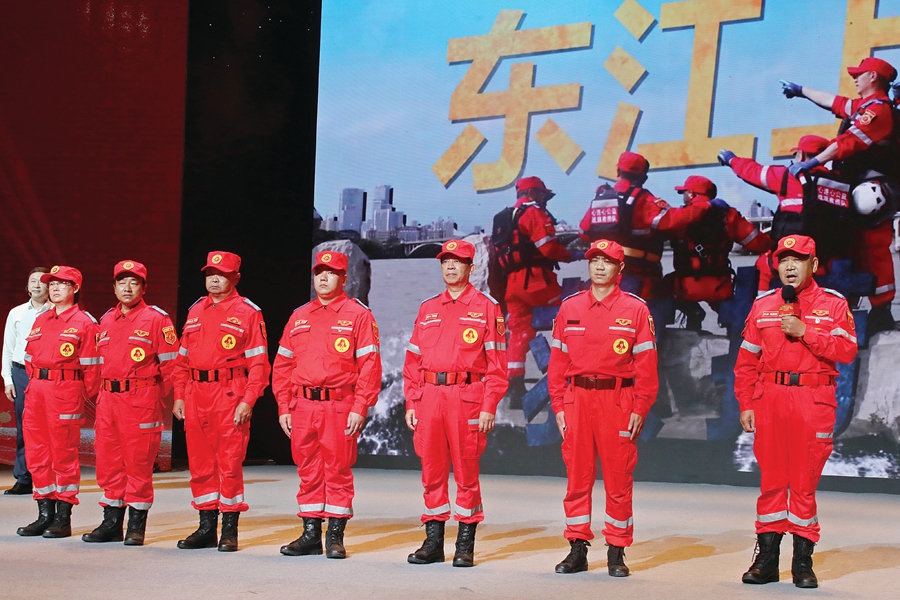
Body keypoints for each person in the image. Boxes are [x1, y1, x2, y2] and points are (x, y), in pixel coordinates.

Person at [734, 235, 858, 588]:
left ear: (813, 265)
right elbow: (746, 361)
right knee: (772, 482)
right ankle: (767, 561)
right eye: (784, 260)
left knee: (803, 484)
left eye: (798, 260)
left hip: (813, 399)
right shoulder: (763, 305)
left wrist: (806, 332)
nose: (789, 266)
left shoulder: (833, 303)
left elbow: (848, 351)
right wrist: (746, 402)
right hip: (770, 398)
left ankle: (802, 563)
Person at [548, 239, 658, 577]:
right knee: (577, 479)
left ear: (620, 267)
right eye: (594, 260)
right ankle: (577, 548)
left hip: (618, 401)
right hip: (577, 400)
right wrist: (559, 405)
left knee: (618, 479)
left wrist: (640, 407)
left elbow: (647, 368)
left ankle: (616, 550)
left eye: (607, 261)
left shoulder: (636, 310)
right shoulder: (570, 308)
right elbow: (557, 363)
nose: (599, 266)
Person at [403, 239, 507, 567]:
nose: (450, 266)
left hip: (467, 398)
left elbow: (497, 367)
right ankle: (433, 542)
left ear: (471, 268)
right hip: (430, 398)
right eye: (445, 261)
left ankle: (465, 544)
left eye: (457, 261)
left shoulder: (487, 308)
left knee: (466, 472)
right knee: (431, 472)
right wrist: (411, 401)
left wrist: (489, 405)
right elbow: (412, 361)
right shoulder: (428, 308)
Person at [273, 251, 382, 559]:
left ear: (344, 279)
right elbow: (282, 366)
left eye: (331, 272)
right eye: (319, 272)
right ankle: (310, 534)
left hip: (339, 405)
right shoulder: (299, 316)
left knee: (337, 470)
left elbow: (370, 366)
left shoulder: (358, 315)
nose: (323, 277)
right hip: (303, 406)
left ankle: (334, 536)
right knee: (307, 470)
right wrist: (284, 406)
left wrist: (360, 406)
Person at [781, 57, 898, 332]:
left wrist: (812, 162)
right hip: (856, 184)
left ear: (873, 77)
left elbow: (847, 142)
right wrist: (801, 91)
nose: (855, 78)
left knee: (873, 246)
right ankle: (847, 306)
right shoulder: (863, 106)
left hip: (873, 189)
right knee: (852, 244)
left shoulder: (878, 110)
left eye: (859, 74)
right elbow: (833, 102)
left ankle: (881, 311)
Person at [172, 251, 270, 552]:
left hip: (229, 394)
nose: (214, 280)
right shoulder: (195, 310)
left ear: (235, 278)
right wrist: (179, 395)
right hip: (195, 394)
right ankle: (206, 528)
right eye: (210, 274)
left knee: (228, 463)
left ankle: (229, 530)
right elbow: (181, 361)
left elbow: (259, 365)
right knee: (200, 464)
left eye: (222, 275)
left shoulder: (248, 312)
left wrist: (248, 400)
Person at [82, 261, 179, 546]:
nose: (127, 288)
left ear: (143, 288)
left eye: (134, 283)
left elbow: (172, 367)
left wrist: (151, 395)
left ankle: (136, 525)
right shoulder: (106, 320)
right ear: (114, 287)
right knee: (108, 462)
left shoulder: (157, 319)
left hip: (140, 400)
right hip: (108, 401)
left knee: (138, 463)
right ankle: (112, 523)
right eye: (121, 282)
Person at [16, 266, 100, 538]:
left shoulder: (85, 322)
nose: (54, 288)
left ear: (75, 288)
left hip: (65, 392)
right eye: (51, 284)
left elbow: (93, 369)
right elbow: (29, 358)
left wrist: (74, 393)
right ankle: (44, 515)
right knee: (37, 453)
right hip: (37, 392)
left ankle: (63, 518)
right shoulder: (41, 319)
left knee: (63, 455)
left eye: (62, 284)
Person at [719, 135, 852, 291]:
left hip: (792, 258)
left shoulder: (790, 176)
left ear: (802, 155)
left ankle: (764, 305)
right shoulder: (842, 183)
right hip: (827, 263)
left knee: (764, 264)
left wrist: (731, 159)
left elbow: (752, 172)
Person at [578, 152, 710, 300]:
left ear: (618, 171)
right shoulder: (643, 199)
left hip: (602, 280)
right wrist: (705, 204)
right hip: (638, 279)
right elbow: (674, 220)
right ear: (643, 177)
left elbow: (583, 233)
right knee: (664, 304)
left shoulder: (600, 199)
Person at [498, 176, 577, 406]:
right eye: (543, 195)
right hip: (537, 283)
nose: (544, 200)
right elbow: (548, 248)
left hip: (512, 286)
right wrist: (572, 255)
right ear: (532, 193)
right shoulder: (533, 212)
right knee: (575, 310)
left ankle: (515, 389)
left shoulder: (505, 217)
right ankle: (570, 377)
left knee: (519, 333)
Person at [663, 175, 773, 329]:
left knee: (658, 289)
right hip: (720, 286)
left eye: (684, 192)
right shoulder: (728, 215)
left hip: (684, 285)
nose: (683, 196)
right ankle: (731, 325)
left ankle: (692, 314)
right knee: (727, 303)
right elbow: (758, 243)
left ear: (692, 194)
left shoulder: (681, 216)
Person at [2, 267, 51, 495]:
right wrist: (7, 378)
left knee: (47, 427)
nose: (37, 285)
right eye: (33, 281)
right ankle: (23, 477)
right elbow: (8, 348)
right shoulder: (17, 313)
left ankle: (47, 476)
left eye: (42, 281)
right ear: (27, 286)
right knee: (24, 427)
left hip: (47, 375)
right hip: (21, 373)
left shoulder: (56, 312)